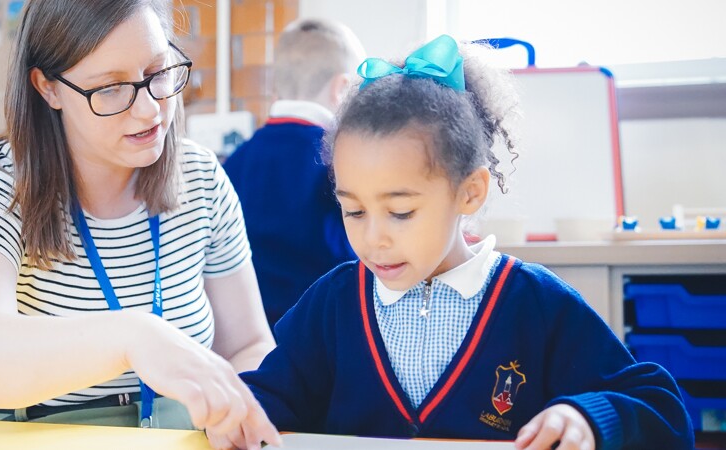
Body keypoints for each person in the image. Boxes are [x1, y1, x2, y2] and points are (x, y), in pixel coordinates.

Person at [222, 36, 694, 450]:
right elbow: (268, 398)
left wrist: (588, 416)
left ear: (470, 192)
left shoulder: (535, 304)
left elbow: (660, 407)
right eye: (354, 210)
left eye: (401, 211)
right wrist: (235, 412)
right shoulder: (333, 303)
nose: (373, 237)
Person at [0, 1, 280, 448]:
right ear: (48, 88)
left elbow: (247, 344)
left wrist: (236, 406)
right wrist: (134, 337)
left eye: (159, 71)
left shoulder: (201, 176)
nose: (149, 109)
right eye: (111, 88)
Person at [222, 18, 364, 327]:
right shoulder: (340, 160)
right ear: (342, 89)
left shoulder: (234, 162)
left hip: (252, 340)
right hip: (326, 334)